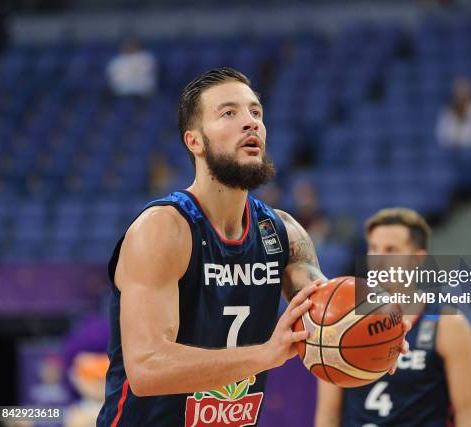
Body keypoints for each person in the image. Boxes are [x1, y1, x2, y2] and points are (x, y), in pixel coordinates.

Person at [96, 67, 409, 426]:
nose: (251, 123)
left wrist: (381, 325)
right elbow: (147, 369)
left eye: (256, 112)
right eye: (229, 113)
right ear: (194, 141)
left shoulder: (284, 233)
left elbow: (325, 312)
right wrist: (265, 355)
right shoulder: (164, 230)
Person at [315, 208, 471, 427]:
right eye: (373, 249)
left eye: (391, 250)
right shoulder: (341, 321)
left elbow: (467, 413)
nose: (379, 260)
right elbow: (328, 413)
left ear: (417, 259)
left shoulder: (448, 324)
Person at [436, 77, 471, 148]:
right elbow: (442, 136)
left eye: (465, 90)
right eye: (459, 90)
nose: (462, 94)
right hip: (452, 151)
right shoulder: (447, 110)